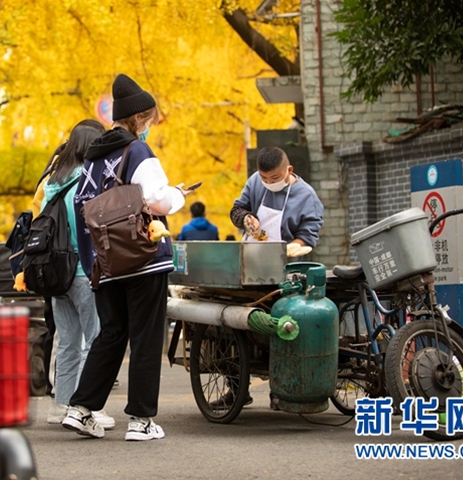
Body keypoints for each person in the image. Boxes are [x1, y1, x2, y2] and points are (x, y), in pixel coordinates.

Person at [62, 74, 191, 441]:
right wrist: (178, 195)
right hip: (143, 257)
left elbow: (83, 210)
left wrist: (94, 261)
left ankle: (80, 408)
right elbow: (156, 200)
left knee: (111, 334)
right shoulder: (137, 152)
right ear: (138, 118)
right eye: (148, 119)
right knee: (146, 337)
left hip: (105, 263)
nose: (149, 126)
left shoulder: (91, 161)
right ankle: (141, 420)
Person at [220, 145, 323, 410]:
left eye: (274, 178)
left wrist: (291, 249)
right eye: (264, 178)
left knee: (282, 328)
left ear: (289, 170)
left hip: (287, 274)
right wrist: (246, 219)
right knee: (232, 322)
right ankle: (236, 388)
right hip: (250, 267)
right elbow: (237, 209)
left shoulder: (307, 196)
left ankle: (282, 388)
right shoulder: (255, 182)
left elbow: (308, 236)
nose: (268, 182)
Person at [37, 120, 115, 429]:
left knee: (68, 342)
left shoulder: (54, 182)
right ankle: (87, 408)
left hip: (58, 274)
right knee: (94, 341)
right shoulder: (87, 182)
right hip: (84, 271)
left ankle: (61, 406)